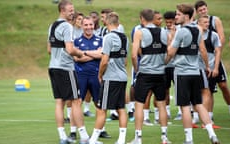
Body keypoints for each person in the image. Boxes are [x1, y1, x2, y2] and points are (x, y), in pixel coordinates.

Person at [165, 4, 220, 144]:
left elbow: (171, 52)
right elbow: (202, 50)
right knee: (199, 104)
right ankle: (212, 134)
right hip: (196, 72)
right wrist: (207, 66)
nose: (175, 17)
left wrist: (164, 62)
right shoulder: (198, 29)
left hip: (182, 73)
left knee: (184, 107)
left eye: (178, 14)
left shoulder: (181, 31)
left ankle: (189, 140)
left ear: (187, 16)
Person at [47, 1, 89, 144]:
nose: (73, 12)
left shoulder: (52, 26)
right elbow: (70, 49)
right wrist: (80, 53)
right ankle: (84, 137)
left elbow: (49, 50)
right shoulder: (67, 26)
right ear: (62, 11)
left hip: (53, 67)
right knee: (76, 101)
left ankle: (63, 137)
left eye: (73, 10)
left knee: (59, 102)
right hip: (65, 68)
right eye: (70, 10)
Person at [128, 9, 170, 144]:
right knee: (162, 105)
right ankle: (164, 137)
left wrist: (136, 69)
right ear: (153, 18)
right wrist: (163, 64)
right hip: (160, 73)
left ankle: (138, 138)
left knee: (139, 105)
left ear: (142, 18)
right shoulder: (164, 32)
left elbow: (134, 55)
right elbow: (169, 53)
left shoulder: (140, 32)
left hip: (145, 73)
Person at [89, 11, 129, 144]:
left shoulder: (108, 37)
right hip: (122, 77)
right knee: (121, 108)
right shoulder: (124, 37)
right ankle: (121, 140)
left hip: (111, 77)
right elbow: (125, 60)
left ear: (107, 22)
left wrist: (100, 75)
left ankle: (93, 139)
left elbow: (104, 60)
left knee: (101, 109)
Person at [195, 0, 230, 116]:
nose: (202, 11)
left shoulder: (215, 20)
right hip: (202, 62)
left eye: (204, 9)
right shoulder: (196, 25)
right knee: (208, 89)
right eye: (200, 10)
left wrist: (216, 55)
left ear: (207, 9)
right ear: (196, 12)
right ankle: (209, 116)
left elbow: (222, 38)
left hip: (214, 58)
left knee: (223, 85)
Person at [192, 15, 221, 129]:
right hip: (196, 68)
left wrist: (216, 68)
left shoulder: (213, 35)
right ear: (198, 23)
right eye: (204, 22)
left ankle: (207, 119)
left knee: (208, 92)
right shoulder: (194, 34)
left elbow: (218, 51)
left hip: (209, 69)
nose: (207, 24)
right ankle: (196, 118)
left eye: (208, 22)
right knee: (197, 92)